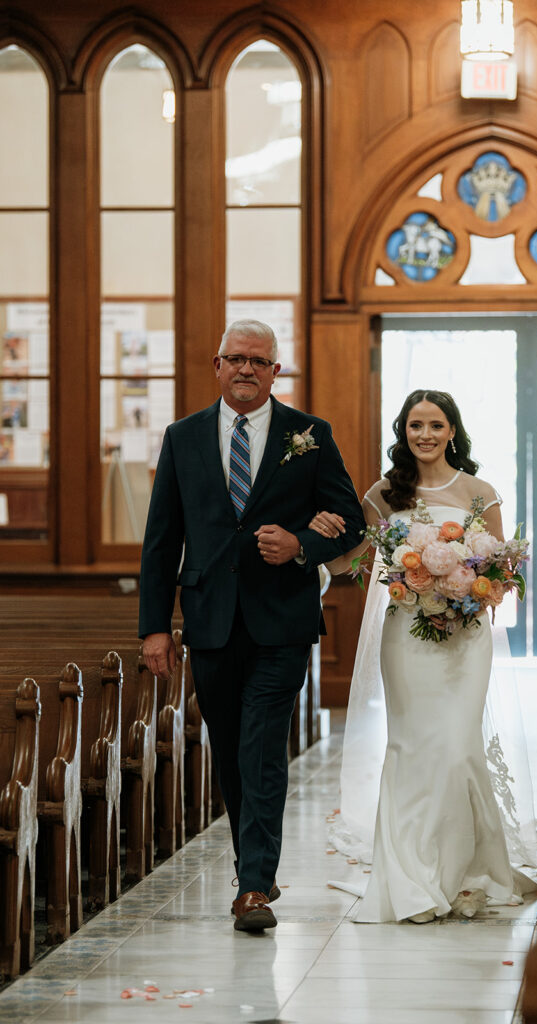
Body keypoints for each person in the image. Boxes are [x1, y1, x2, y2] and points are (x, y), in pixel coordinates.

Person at [138, 319, 365, 932]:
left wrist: (299, 546)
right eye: (235, 358)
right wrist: (155, 627)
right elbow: (162, 542)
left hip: (282, 620)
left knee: (263, 748)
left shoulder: (309, 435)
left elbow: (350, 519)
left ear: (275, 371)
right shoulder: (182, 437)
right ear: (217, 365)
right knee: (232, 752)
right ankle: (252, 869)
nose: (245, 369)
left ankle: (255, 887)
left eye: (258, 361)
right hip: (209, 620)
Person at [308, 389, 537, 924]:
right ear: (404, 432)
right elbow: (352, 559)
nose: (425, 434)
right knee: (413, 748)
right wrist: (317, 535)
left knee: (459, 749)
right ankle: (414, 879)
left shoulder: (480, 492)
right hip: (407, 636)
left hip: (465, 637)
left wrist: (467, 585)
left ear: (452, 431)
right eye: (416, 425)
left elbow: (502, 574)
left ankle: (466, 874)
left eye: (436, 424)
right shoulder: (383, 495)